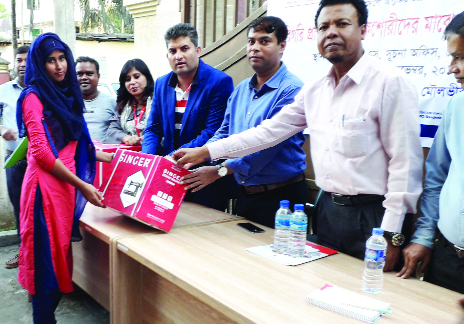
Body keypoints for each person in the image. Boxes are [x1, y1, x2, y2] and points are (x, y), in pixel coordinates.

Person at [173, 0, 423, 270]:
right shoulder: (315, 90)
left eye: (342, 24)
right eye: (324, 26)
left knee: (376, 297)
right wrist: (206, 152)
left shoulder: (389, 83)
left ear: (363, 30)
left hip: (373, 216)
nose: (331, 33)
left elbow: (405, 163)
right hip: (328, 210)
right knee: (323, 291)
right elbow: (267, 133)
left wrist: (390, 234)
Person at [15, 33, 112, 324]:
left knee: (59, 263)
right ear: (39, 63)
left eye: (62, 59)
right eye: (50, 60)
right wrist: (84, 184)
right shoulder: (32, 96)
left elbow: (75, 143)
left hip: (64, 189)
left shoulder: (67, 95)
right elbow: (43, 153)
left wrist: (108, 157)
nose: (59, 66)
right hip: (44, 191)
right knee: (45, 270)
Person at [180, 16, 307, 228]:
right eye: (251, 41)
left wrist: (219, 170)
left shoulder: (292, 90)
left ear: (282, 46)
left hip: (282, 198)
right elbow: (225, 132)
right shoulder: (241, 90)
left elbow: (265, 147)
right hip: (246, 193)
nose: (255, 48)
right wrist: (200, 154)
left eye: (264, 41)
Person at [397, 11, 464, 293]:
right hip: (448, 258)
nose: (452, 68)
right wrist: (424, 236)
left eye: (460, 57)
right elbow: (437, 178)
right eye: (452, 57)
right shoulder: (456, 107)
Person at [143, 23, 237, 211]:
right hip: (168, 178)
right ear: (167, 55)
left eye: (185, 48)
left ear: (198, 50)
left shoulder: (219, 82)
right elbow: (153, 128)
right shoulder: (162, 84)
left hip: (204, 179)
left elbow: (213, 132)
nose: (178, 56)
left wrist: (170, 160)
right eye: (173, 51)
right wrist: (149, 161)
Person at [0, 45, 30, 269]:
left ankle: (41, 254)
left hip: (43, 160)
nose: (22, 64)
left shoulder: (44, 90)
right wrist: (1, 130)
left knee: (41, 207)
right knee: (19, 208)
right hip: (15, 159)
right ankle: (24, 254)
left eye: (27, 60)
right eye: (18, 60)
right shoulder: (3, 91)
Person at [103, 59, 154, 145]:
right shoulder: (124, 105)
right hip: (130, 155)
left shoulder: (158, 102)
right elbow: (111, 131)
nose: (132, 82)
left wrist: (150, 138)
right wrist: (126, 138)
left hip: (155, 153)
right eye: (127, 79)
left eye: (137, 76)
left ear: (147, 77)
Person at [75, 56, 117, 142]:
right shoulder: (67, 103)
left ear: (98, 76)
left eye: (89, 74)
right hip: (77, 154)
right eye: (79, 74)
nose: (84, 77)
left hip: (105, 154)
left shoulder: (112, 102)